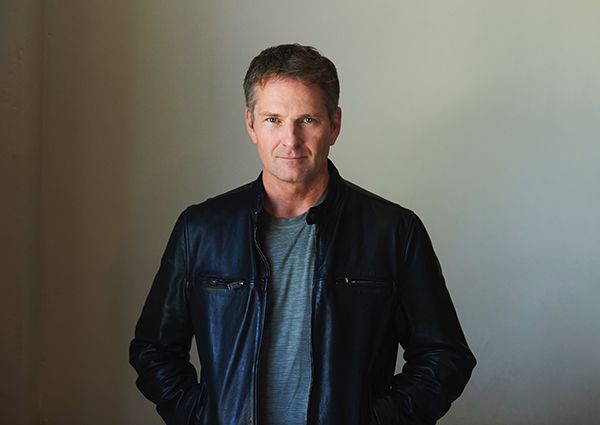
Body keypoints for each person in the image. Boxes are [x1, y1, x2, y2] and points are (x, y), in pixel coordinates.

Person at [129, 43, 476, 425]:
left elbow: (445, 356)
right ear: (250, 124)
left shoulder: (393, 231)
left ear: (334, 124)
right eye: (273, 119)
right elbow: (153, 350)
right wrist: (203, 416)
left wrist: (378, 420)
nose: (290, 140)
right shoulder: (201, 229)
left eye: (307, 120)